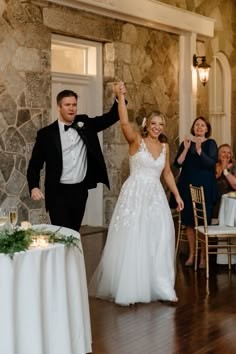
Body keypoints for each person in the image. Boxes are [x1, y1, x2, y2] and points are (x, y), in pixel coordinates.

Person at [88, 87, 184, 306]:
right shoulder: (136, 141)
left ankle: (163, 287)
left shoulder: (165, 146)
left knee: (159, 239)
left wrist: (177, 195)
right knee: (134, 239)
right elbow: (123, 123)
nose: (157, 128)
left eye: (161, 124)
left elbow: (167, 172)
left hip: (156, 198)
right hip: (134, 195)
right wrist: (120, 98)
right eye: (153, 124)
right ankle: (130, 289)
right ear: (146, 125)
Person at [27, 82, 126, 231]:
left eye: (74, 104)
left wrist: (119, 97)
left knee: (74, 233)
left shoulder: (84, 123)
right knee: (61, 234)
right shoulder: (46, 134)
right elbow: (35, 164)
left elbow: (110, 118)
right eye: (67, 105)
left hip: (80, 191)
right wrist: (34, 186)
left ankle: (73, 255)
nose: (72, 108)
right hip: (58, 193)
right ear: (59, 107)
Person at [171, 117, 218, 268]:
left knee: (204, 222)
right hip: (187, 187)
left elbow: (211, 163)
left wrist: (198, 151)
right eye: (197, 125)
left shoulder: (211, 144)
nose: (199, 127)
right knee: (189, 222)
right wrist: (186, 149)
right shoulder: (186, 144)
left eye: (202, 125)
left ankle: (203, 258)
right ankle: (192, 255)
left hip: (205, 187)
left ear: (207, 129)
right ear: (193, 128)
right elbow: (178, 164)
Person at [212, 144, 236, 218]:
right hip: (213, 201)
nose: (226, 154)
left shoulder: (234, 167)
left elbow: (235, 185)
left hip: (228, 203)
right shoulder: (212, 166)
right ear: (218, 155)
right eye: (223, 152)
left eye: (229, 153)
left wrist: (225, 170)